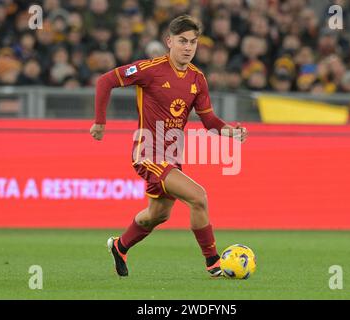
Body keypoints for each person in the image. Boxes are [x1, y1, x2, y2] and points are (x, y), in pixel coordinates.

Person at [90, 15, 247, 277]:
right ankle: (213, 262)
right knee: (198, 196)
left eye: (193, 42)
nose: (188, 47)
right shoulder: (150, 69)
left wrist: (230, 132)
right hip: (147, 152)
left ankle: (120, 246)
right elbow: (105, 80)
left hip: (172, 156)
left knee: (158, 215)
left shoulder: (198, 79)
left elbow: (208, 120)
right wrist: (100, 122)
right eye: (182, 41)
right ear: (169, 41)